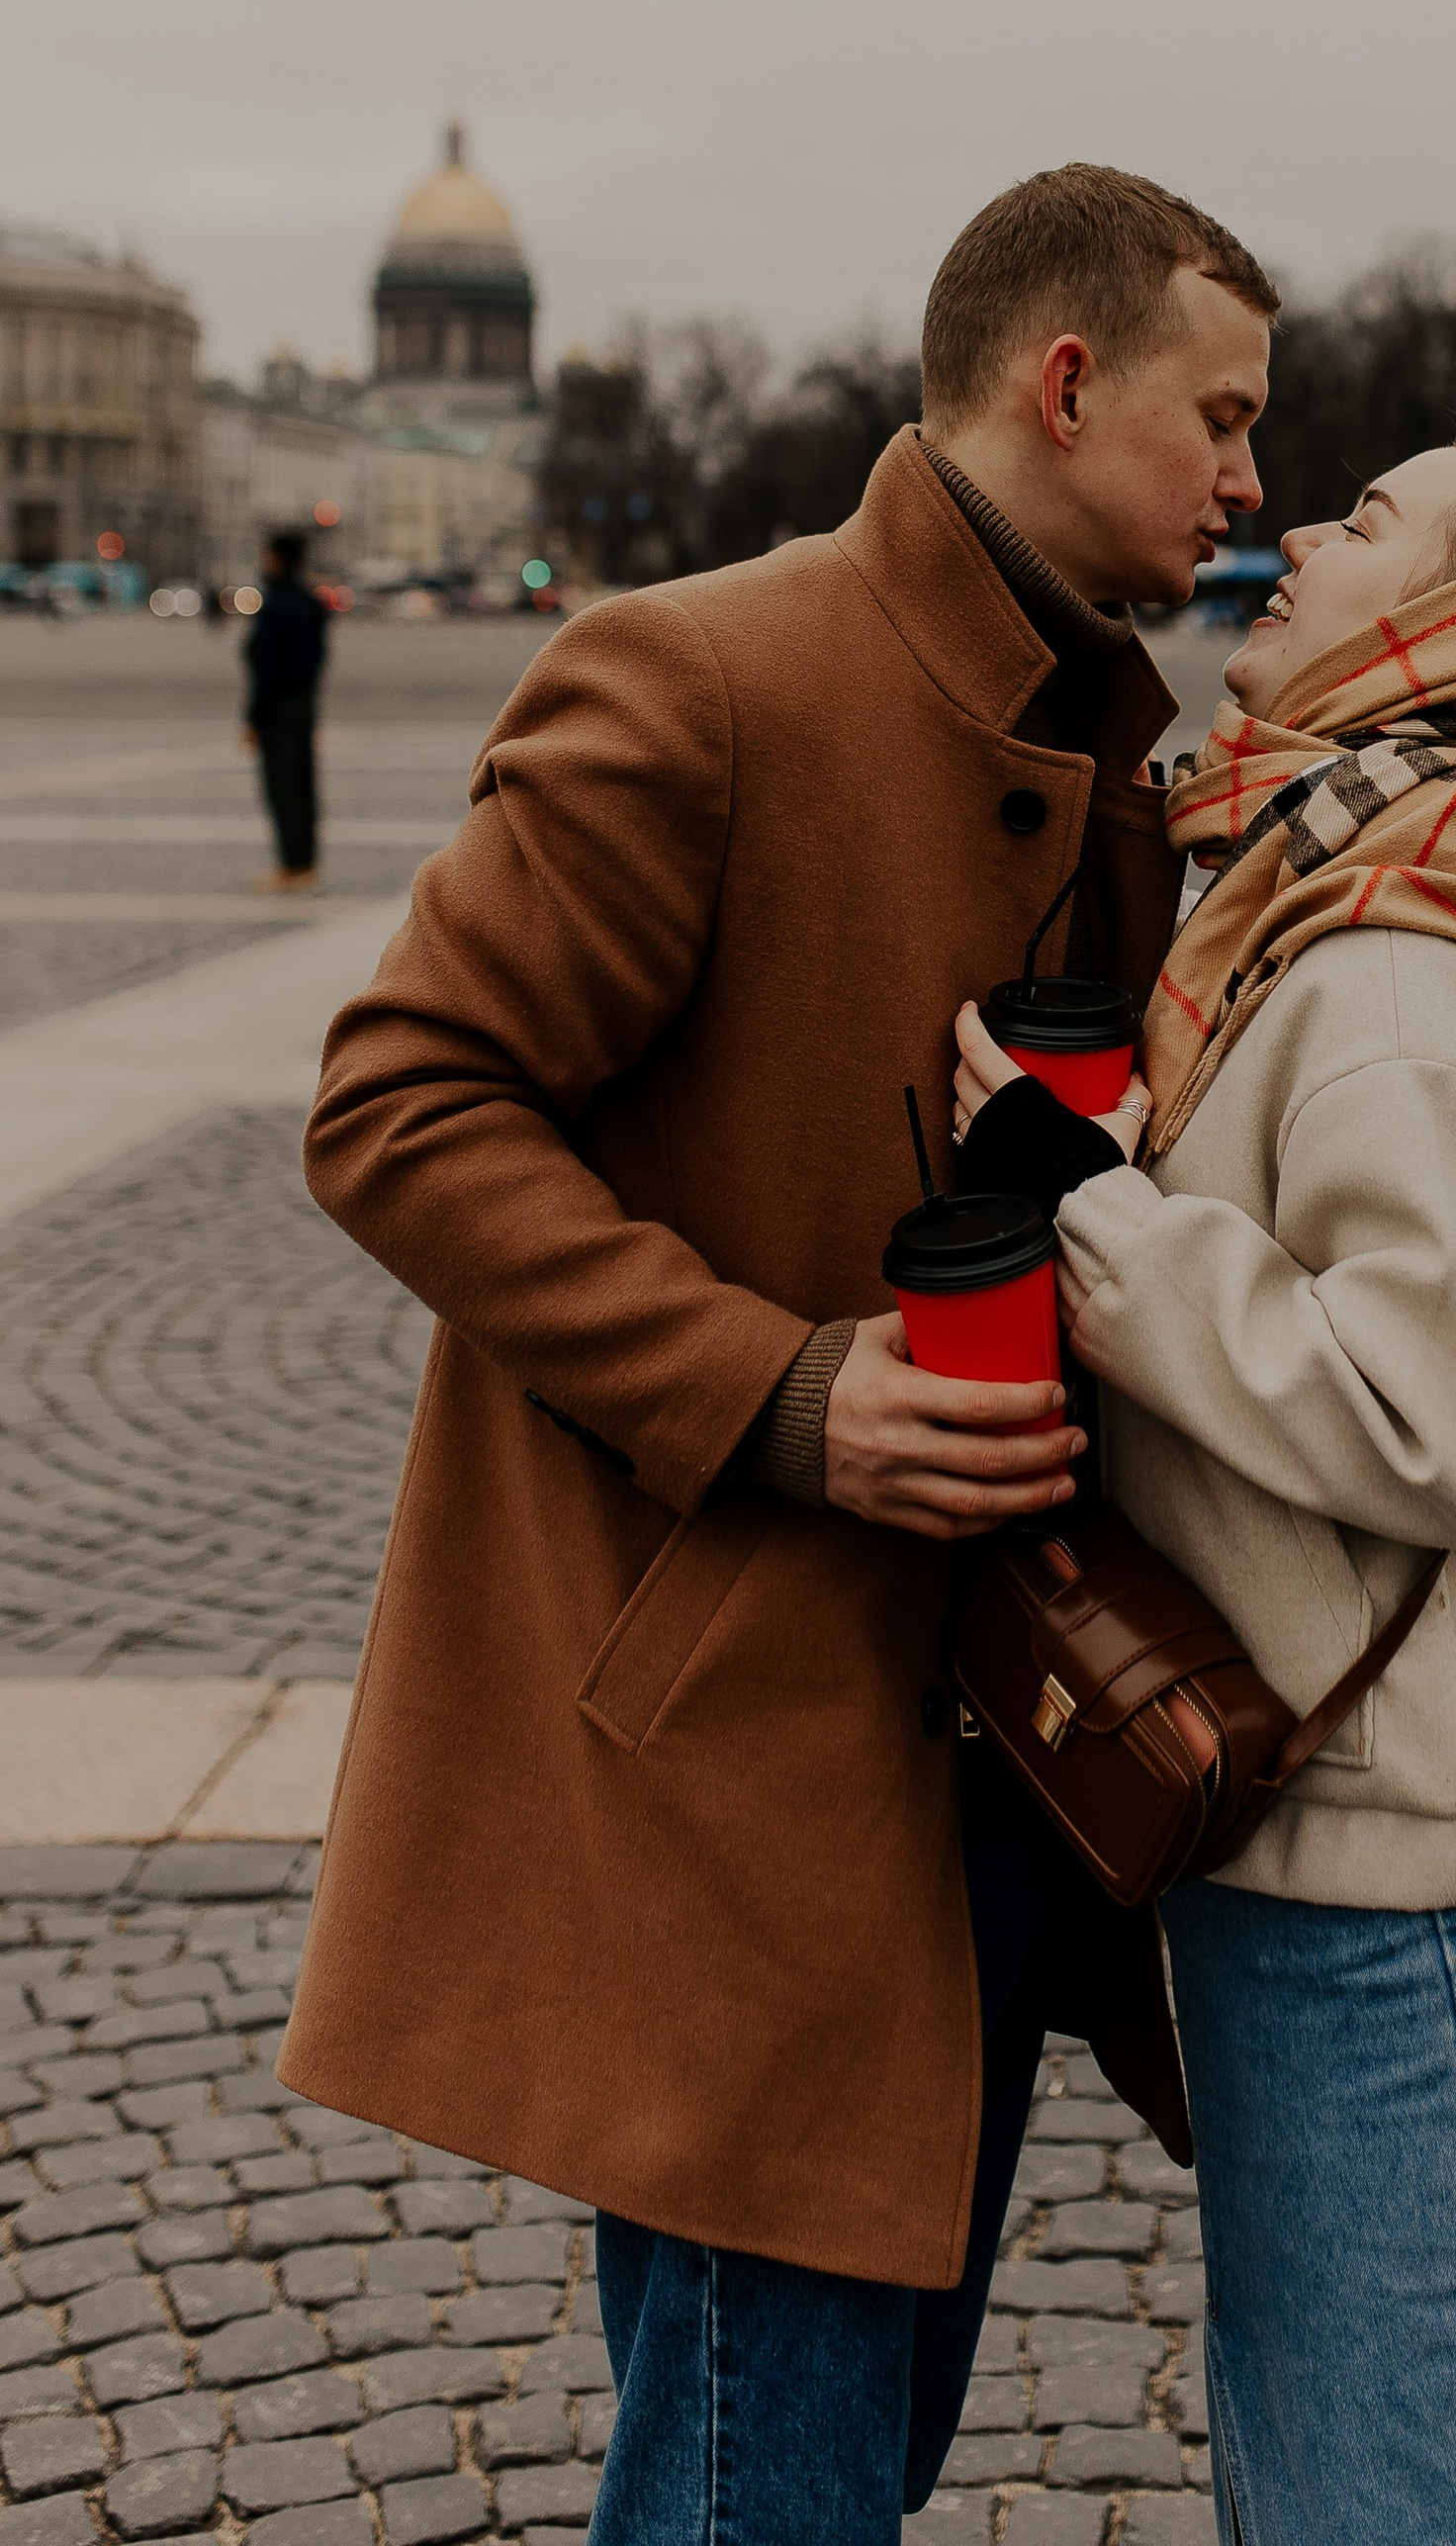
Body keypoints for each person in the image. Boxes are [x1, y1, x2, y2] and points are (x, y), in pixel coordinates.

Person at [282, 165, 1278, 2545]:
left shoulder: (1108, 742)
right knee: (764, 2488)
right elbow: (397, 1102)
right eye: (1221, 418)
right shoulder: (706, 670)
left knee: (824, 2461)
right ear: (1064, 384)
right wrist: (781, 1388)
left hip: (977, 1772)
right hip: (752, 1765)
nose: (1252, 482)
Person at [955, 420, 1456, 2546]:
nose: (1295, 524)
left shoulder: (1389, 966)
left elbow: (1429, 1424)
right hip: (1379, 1857)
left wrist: (1066, 1204)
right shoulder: (1342, 878)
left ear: (1455, 627)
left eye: (1367, 520)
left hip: (1423, 1901)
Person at [238, 525, 328, 887]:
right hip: (304, 704)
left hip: (278, 709)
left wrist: (253, 718)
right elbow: (319, 656)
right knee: (304, 785)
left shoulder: (276, 604)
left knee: (282, 788)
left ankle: (292, 865)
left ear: (276, 557)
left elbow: (266, 667)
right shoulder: (310, 603)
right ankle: (306, 861)